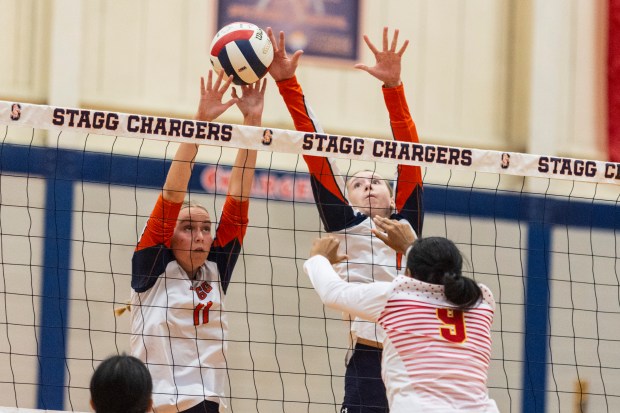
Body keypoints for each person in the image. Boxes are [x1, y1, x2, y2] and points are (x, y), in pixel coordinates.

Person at [268, 26, 423, 412]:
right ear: (347, 197)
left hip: (417, 359)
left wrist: (393, 88)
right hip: (369, 362)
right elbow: (317, 152)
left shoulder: (409, 224)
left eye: (375, 181)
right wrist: (288, 83)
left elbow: (411, 155)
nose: (368, 186)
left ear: (392, 194)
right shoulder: (343, 224)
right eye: (356, 183)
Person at [130, 71, 265, 413]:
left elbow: (238, 193)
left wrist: (252, 122)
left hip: (205, 400)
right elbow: (173, 193)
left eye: (207, 228)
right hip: (153, 401)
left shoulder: (216, 267)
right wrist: (200, 123)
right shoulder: (151, 267)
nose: (202, 236)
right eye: (189, 227)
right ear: (167, 236)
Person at [304, 220, 499, 413]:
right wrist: (411, 247)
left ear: (410, 271)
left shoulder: (397, 298)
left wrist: (318, 257)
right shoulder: (481, 301)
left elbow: (332, 293)